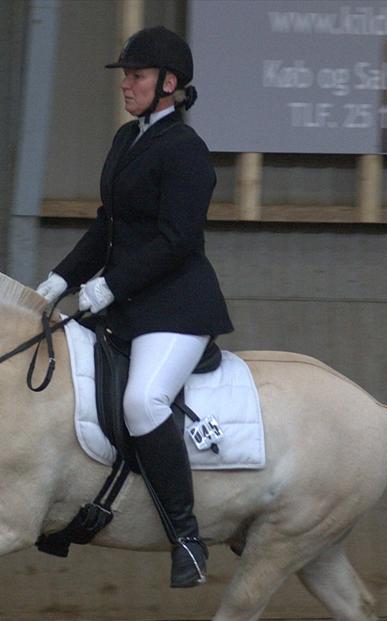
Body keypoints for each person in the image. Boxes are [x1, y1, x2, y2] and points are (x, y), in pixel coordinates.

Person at [35, 26, 233, 588]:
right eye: (126, 75)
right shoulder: (128, 141)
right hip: (126, 302)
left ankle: (187, 538)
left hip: (175, 307)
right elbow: (109, 225)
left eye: (137, 76)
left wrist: (110, 287)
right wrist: (60, 278)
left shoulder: (188, 152)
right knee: (67, 381)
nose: (127, 84)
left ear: (169, 84)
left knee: (144, 402)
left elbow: (177, 240)